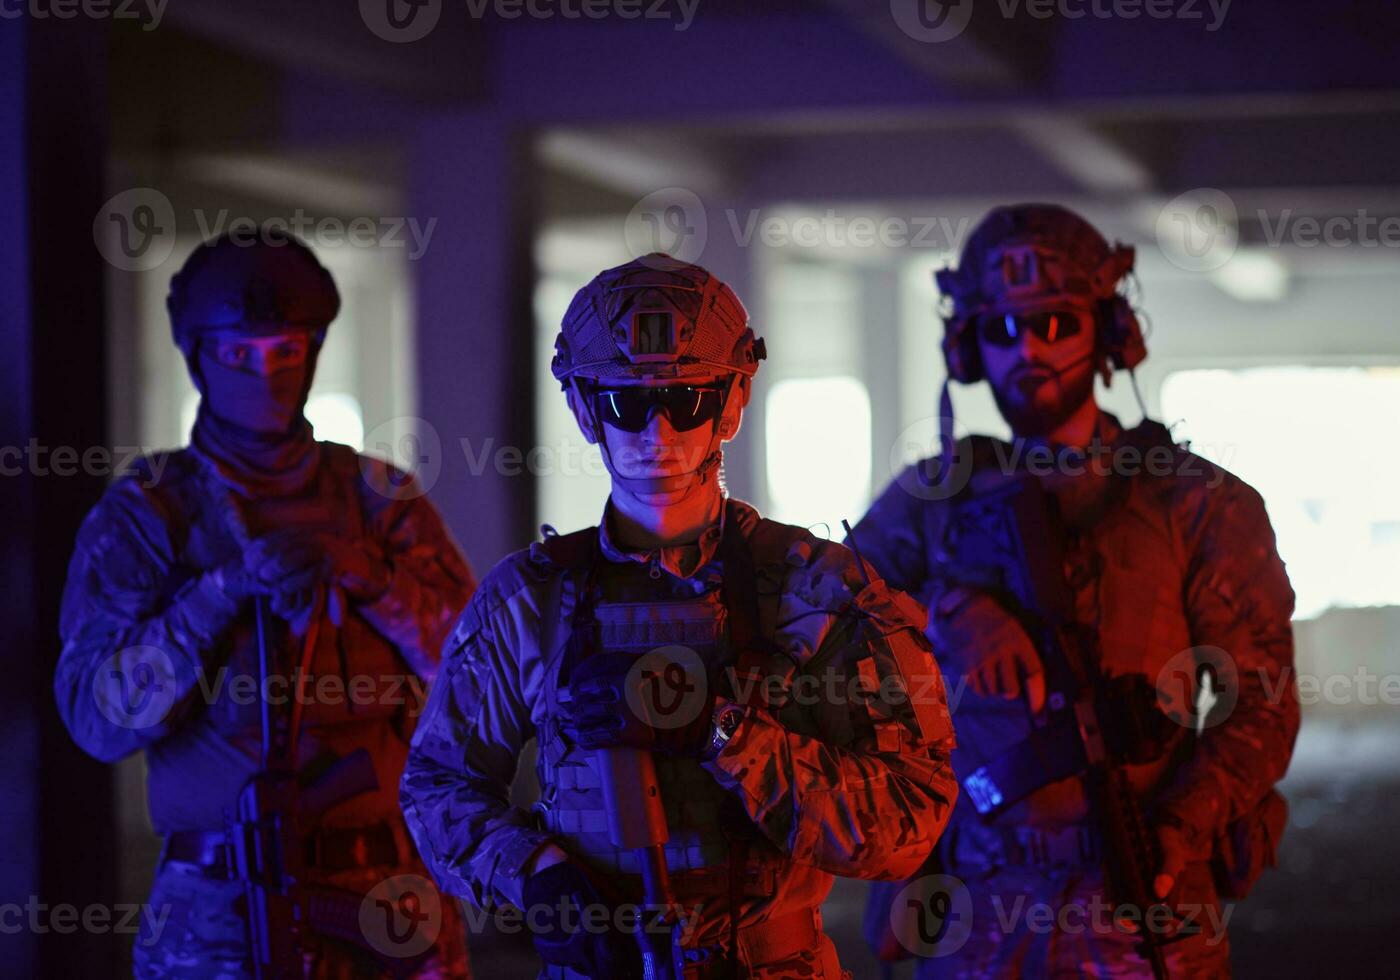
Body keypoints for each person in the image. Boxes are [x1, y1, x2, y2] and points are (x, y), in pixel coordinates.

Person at [400, 254, 959, 979]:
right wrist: (539, 875)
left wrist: (723, 732)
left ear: (731, 404)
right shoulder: (528, 602)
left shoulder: (817, 592)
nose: (657, 432)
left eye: (687, 400)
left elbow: (906, 822)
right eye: (626, 403)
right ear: (581, 408)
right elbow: (438, 785)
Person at [853, 205, 1298, 978]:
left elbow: (1260, 704)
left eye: (1056, 324)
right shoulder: (931, 501)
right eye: (1001, 330)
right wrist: (953, 617)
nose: (1028, 349)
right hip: (979, 897)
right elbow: (823, 628)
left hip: (1144, 884)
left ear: (1110, 334)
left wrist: (1182, 828)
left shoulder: (1195, 504)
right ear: (968, 348)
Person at [54, 226, 473, 978]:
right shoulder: (150, 516)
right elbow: (98, 719)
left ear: (313, 354)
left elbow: (481, 681)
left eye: (286, 352)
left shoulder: (379, 502)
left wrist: (369, 577)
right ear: (197, 357)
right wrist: (217, 596)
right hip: (220, 902)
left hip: (389, 894)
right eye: (240, 355)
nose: (267, 375)